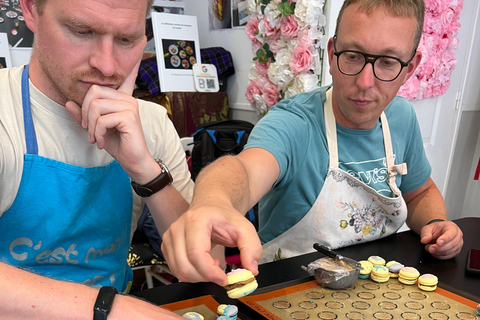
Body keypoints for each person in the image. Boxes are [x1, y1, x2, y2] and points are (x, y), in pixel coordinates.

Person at [161, 0, 464, 287]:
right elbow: (243, 170)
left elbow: (420, 192)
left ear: (410, 68)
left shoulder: (402, 117)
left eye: (387, 62)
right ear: (332, 55)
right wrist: (212, 203)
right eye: (353, 56)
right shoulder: (295, 123)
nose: (365, 82)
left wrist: (436, 223)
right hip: (288, 291)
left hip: (377, 292)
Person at [0, 0, 194, 318]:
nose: (106, 66)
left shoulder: (153, 122)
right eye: (81, 31)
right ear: (32, 9)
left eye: (126, 40)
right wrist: (110, 309)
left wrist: (147, 172)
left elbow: (204, 266)